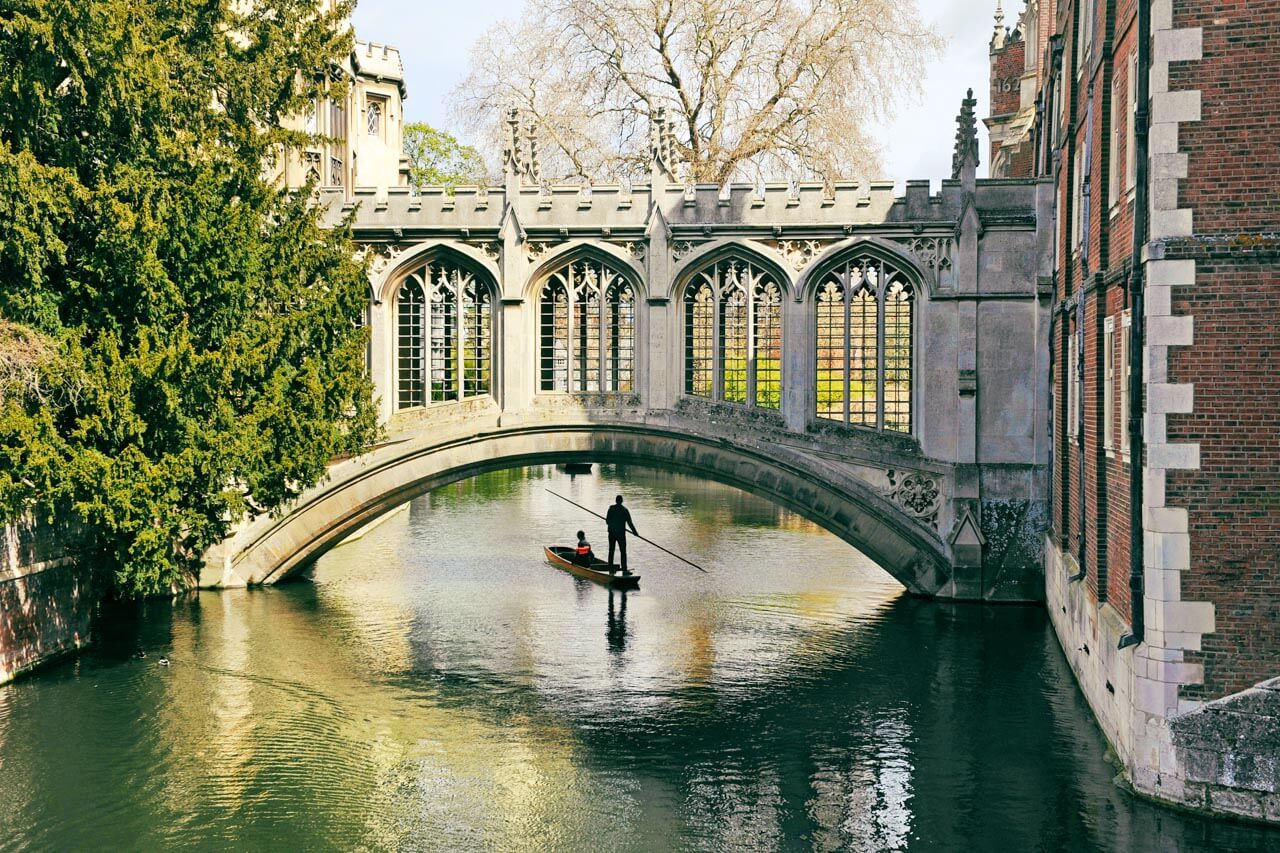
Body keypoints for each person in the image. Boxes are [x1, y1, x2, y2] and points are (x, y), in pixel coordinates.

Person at [605, 495, 639, 574]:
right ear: (622, 501)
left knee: (611, 550)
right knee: (623, 551)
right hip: (621, 534)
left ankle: (610, 568)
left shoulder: (611, 509)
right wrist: (635, 532)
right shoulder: (624, 510)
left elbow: (607, 521)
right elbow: (630, 523)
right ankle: (624, 569)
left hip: (612, 533)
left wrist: (612, 523)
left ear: (616, 501)